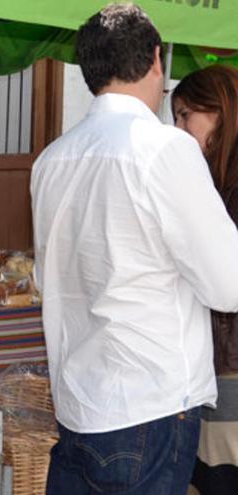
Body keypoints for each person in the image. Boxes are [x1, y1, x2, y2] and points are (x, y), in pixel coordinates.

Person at [30, 4, 238, 494]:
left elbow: (48, 278)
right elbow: (228, 283)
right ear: (156, 61)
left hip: (78, 402)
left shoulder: (51, 160)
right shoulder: (167, 148)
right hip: (150, 404)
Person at [172, 65, 238, 494]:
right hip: (223, 361)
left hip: (230, 364)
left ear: (217, 113)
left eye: (183, 115)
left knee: (219, 475)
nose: (176, 128)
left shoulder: (229, 187)